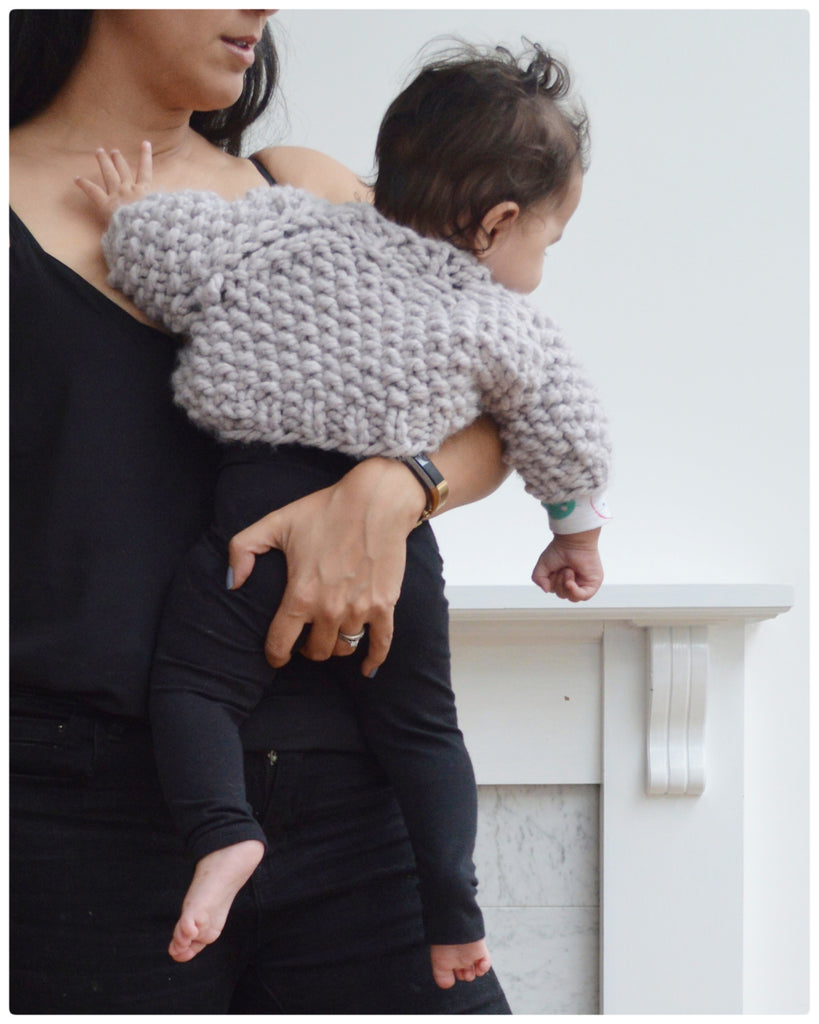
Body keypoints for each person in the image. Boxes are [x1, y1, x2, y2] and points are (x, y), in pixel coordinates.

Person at [6, 10, 591, 1014]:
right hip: (84, 815)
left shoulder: (303, 186)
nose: (262, 5)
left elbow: (508, 402)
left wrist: (398, 484)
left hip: (355, 789)